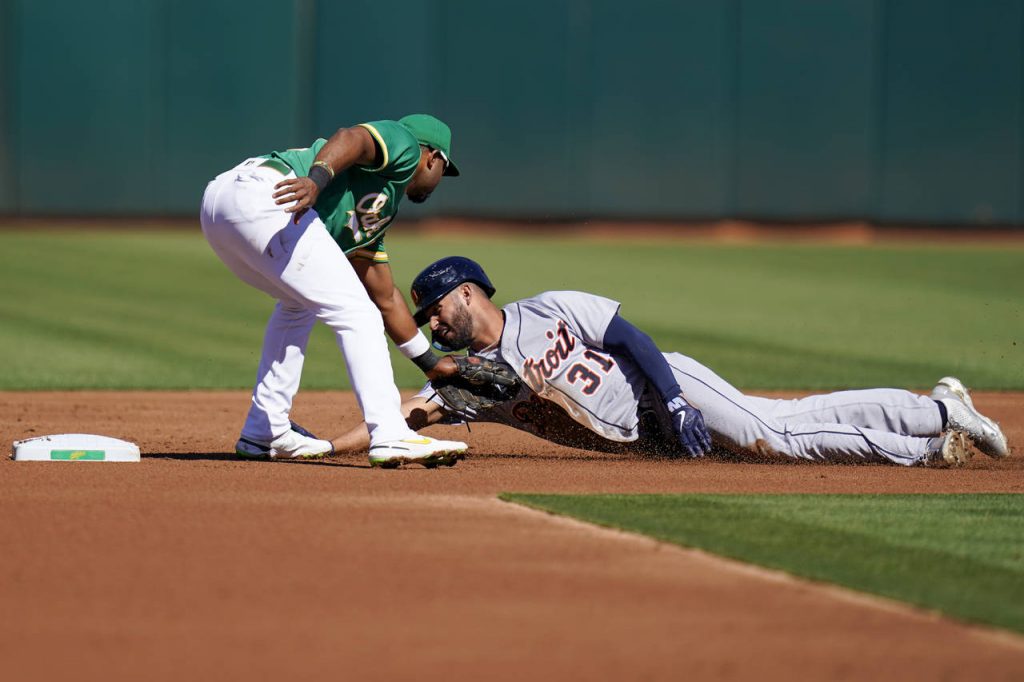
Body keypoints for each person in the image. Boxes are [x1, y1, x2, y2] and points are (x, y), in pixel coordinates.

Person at [332, 256, 1009, 467]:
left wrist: (676, 399)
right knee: (787, 430)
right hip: (647, 437)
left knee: (777, 433)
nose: (430, 325)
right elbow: (400, 415)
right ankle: (932, 427)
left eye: (434, 310)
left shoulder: (548, 308)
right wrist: (322, 447)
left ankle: (936, 422)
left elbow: (631, 337)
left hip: (667, 389)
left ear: (467, 293)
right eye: (423, 318)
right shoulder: (471, 384)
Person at [200, 116, 470, 468]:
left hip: (223, 209)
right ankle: (391, 434)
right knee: (357, 314)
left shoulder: (375, 213)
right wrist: (316, 180)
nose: (440, 180)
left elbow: (386, 298)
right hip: (269, 194)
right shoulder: (403, 143)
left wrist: (432, 365)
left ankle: (265, 431)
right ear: (433, 157)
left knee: (298, 304)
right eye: (444, 170)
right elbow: (352, 138)